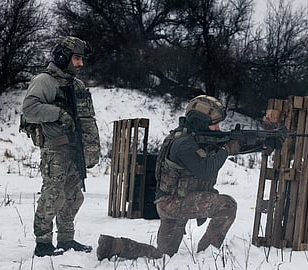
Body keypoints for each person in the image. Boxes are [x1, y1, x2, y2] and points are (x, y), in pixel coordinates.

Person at [96, 95, 242, 260]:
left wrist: (257, 145)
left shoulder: (191, 137)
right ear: (199, 122)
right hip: (174, 203)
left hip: (172, 202)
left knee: (163, 255)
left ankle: (115, 246)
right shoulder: (184, 143)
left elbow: (221, 149)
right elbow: (205, 170)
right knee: (227, 205)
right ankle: (208, 255)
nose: (218, 128)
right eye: (214, 124)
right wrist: (226, 150)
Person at [22, 36, 100, 257]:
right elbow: (29, 109)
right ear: (62, 57)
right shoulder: (45, 81)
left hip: (76, 150)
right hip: (55, 149)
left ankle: (66, 238)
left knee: (74, 196)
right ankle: (43, 243)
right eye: (76, 58)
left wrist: (92, 147)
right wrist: (58, 113)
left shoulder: (77, 85)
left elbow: (87, 118)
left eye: (82, 59)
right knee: (53, 195)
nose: (80, 63)